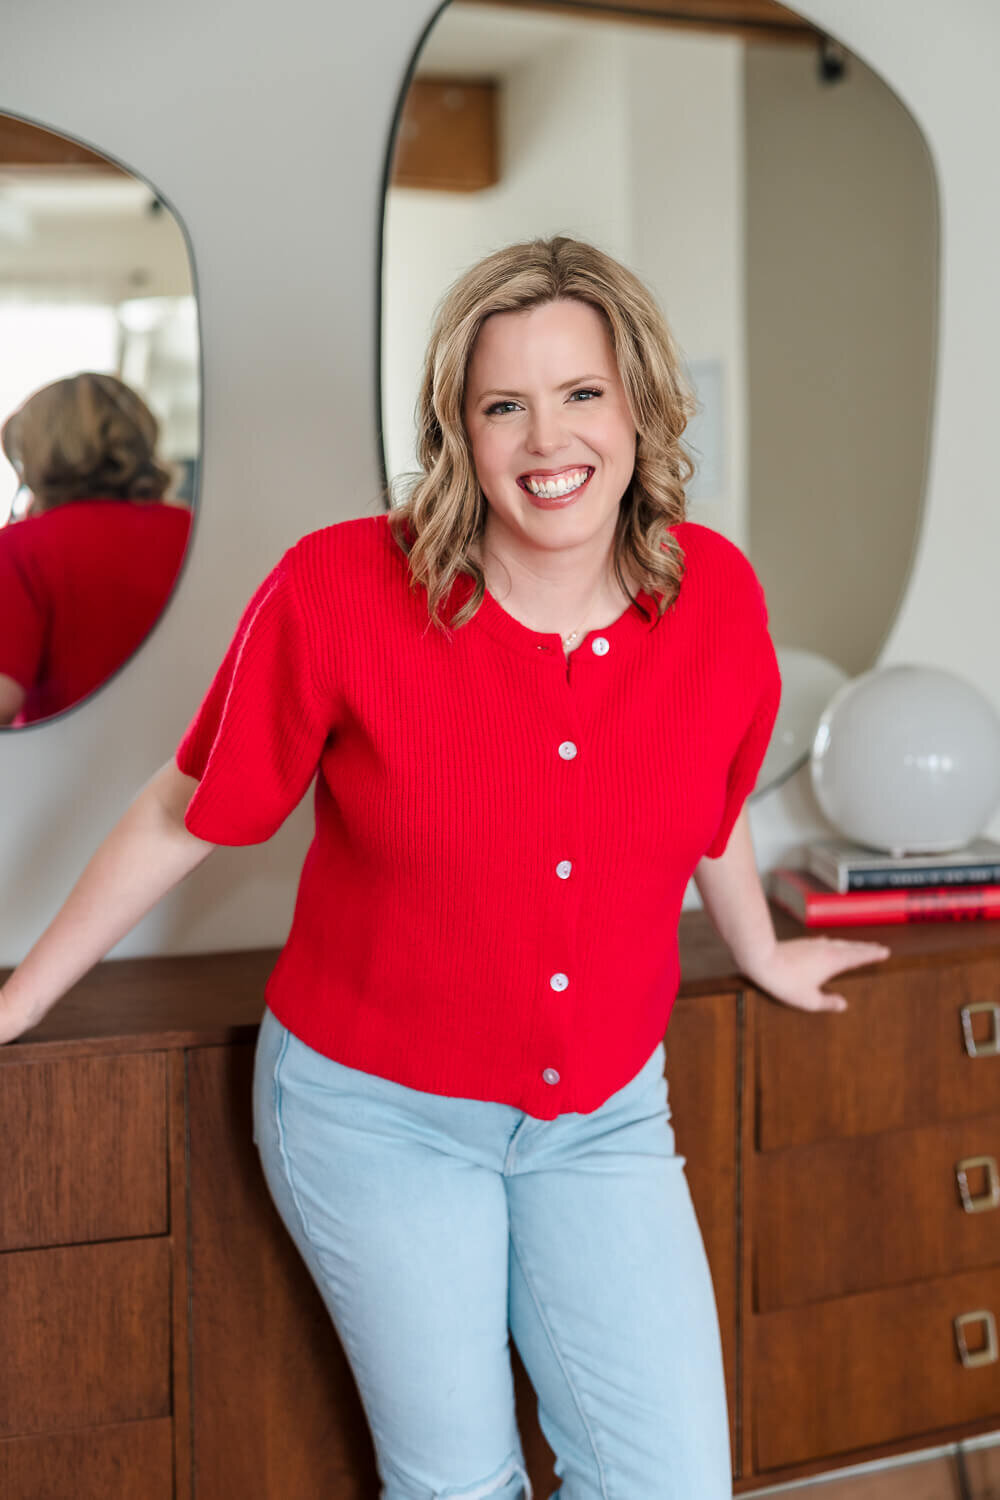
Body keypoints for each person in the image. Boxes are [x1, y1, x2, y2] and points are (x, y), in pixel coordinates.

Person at [0, 237, 890, 1499]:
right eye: (502, 405)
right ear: (457, 431)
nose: (547, 439)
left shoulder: (717, 599)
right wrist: (20, 999)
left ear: (640, 403)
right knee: (459, 1487)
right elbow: (184, 811)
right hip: (377, 1119)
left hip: (603, 1115)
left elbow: (712, 803)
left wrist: (760, 950)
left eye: (580, 392)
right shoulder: (337, 588)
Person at [0, 371, 192, 726]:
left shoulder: (22, 548)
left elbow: (2, 698)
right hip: (193, 756)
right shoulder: (194, 531)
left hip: (67, 759)